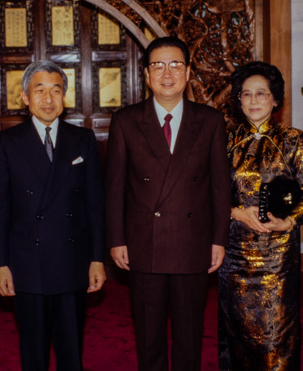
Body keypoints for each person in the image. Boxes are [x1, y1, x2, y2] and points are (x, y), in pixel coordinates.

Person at [105, 36, 231, 371]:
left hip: (193, 243)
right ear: (146, 75)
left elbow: (220, 187)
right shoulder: (126, 121)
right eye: (158, 65)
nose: (167, 72)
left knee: (190, 335)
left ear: (188, 72)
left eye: (175, 64)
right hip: (144, 242)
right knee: (149, 336)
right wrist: (116, 239)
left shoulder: (209, 121)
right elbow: (115, 187)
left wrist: (219, 239)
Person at [0, 60, 106, 371]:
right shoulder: (5, 142)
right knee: (33, 352)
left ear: (64, 97)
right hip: (27, 261)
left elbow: (95, 204)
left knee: (71, 351)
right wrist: (0, 264)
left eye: (56, 90)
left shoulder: (82, 140)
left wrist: (97, 258)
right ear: (25, 97)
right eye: (39, 90)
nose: (48, 98)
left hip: (71, 260)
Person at [218, 61, 303, 371]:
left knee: (276, 333)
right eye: (246, 94)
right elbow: (208, 192)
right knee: (235, 330)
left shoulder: (294, 140)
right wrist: (235, 212)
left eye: (261, 94)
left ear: (275, 99)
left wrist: (290, 221)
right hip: (234, 252)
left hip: (276, 254)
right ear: (238, 100)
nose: (253, 101)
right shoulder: (225, 140)